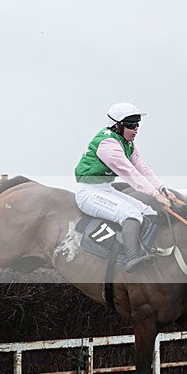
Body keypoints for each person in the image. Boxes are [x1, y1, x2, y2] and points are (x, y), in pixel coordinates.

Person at [74, 103, 177, 273]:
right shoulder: (107, 144)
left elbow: (142, 168)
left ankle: (151, 249)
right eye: (131, 125)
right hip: (88, 192)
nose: (135, 129)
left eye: (137, 124)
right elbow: (130, 173)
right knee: (131, 213)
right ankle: (131, 258)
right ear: (117, 125)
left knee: (148, 211)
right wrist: (154, 194)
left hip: (106, 189)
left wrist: (162, 188)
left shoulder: (128, 143)